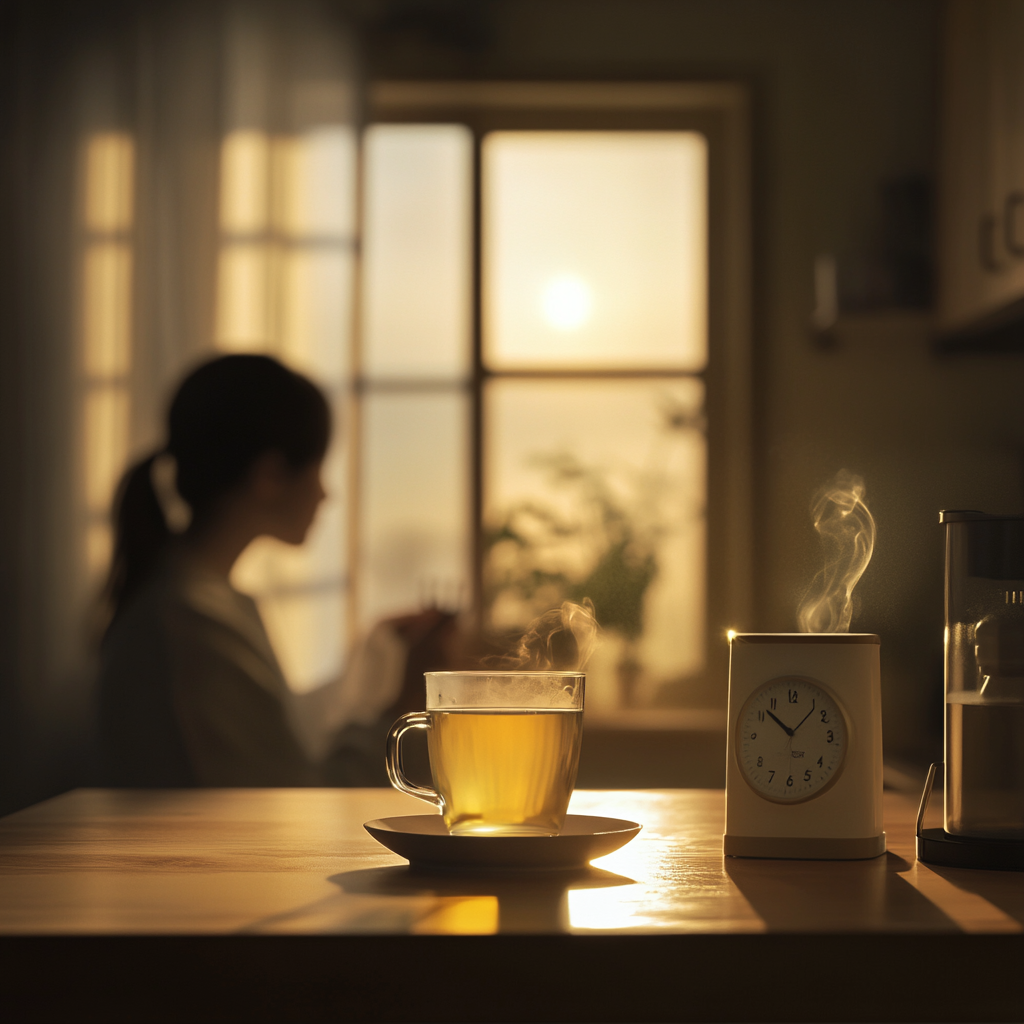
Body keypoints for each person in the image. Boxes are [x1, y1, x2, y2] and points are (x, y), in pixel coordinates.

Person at [97, 354, 447, 787]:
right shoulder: (193, 620)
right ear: (270, 475)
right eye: (317, 466)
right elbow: (296, 796)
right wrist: (406, 701)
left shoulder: (197, 602)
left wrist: (373, 660)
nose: (326, 493)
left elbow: (283, 734)